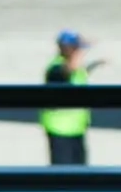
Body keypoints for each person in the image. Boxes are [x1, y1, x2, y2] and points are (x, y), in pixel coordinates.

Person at [42, 31, 105, 166]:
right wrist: (77, 57)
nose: (80, 53)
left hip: (76, 129)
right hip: (61, 131)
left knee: (80, 170)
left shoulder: (73, 68)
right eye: (77, 49)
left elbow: (79, 75)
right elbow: (65, 74)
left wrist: (95, 65)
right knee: (63, 173)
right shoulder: (56, 69)